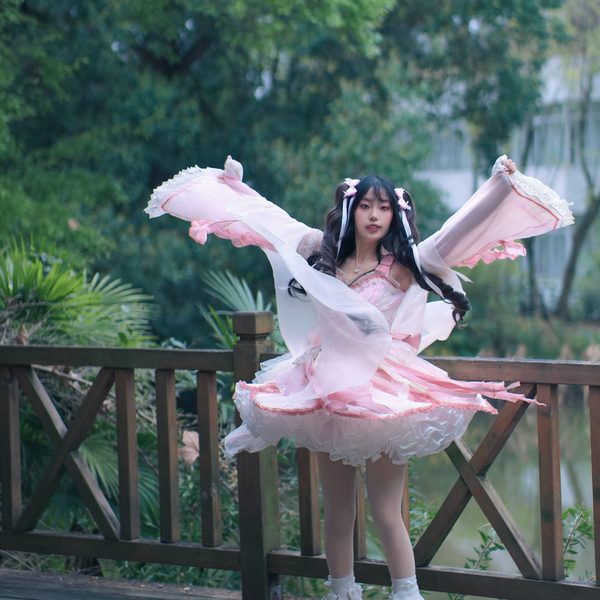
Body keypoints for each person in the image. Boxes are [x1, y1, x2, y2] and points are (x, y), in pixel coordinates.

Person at [146, 155, 573, 600]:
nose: (374, 215)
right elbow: (273, 222)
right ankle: (342, 592)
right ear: (351, 209)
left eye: (384, 207)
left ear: (395, 214)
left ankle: (405, 593)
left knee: (386, 511)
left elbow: (458, 232)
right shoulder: (323, 252)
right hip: (327, 389)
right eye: (366, 205)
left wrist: (499, 186)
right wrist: (237, 188)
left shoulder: (406, 263)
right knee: (337, 511)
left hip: (383, 394)